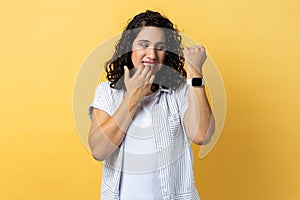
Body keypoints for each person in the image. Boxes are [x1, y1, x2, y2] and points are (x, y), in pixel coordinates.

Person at [88, 10, 215, 200]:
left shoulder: (178, 92)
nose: (152, 54)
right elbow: (99, 150)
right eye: (144, 44)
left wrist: (195, 73)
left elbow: (202, 135)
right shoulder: (107, 91)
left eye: (160, 47)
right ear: (129, 48)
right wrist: (133, 97)